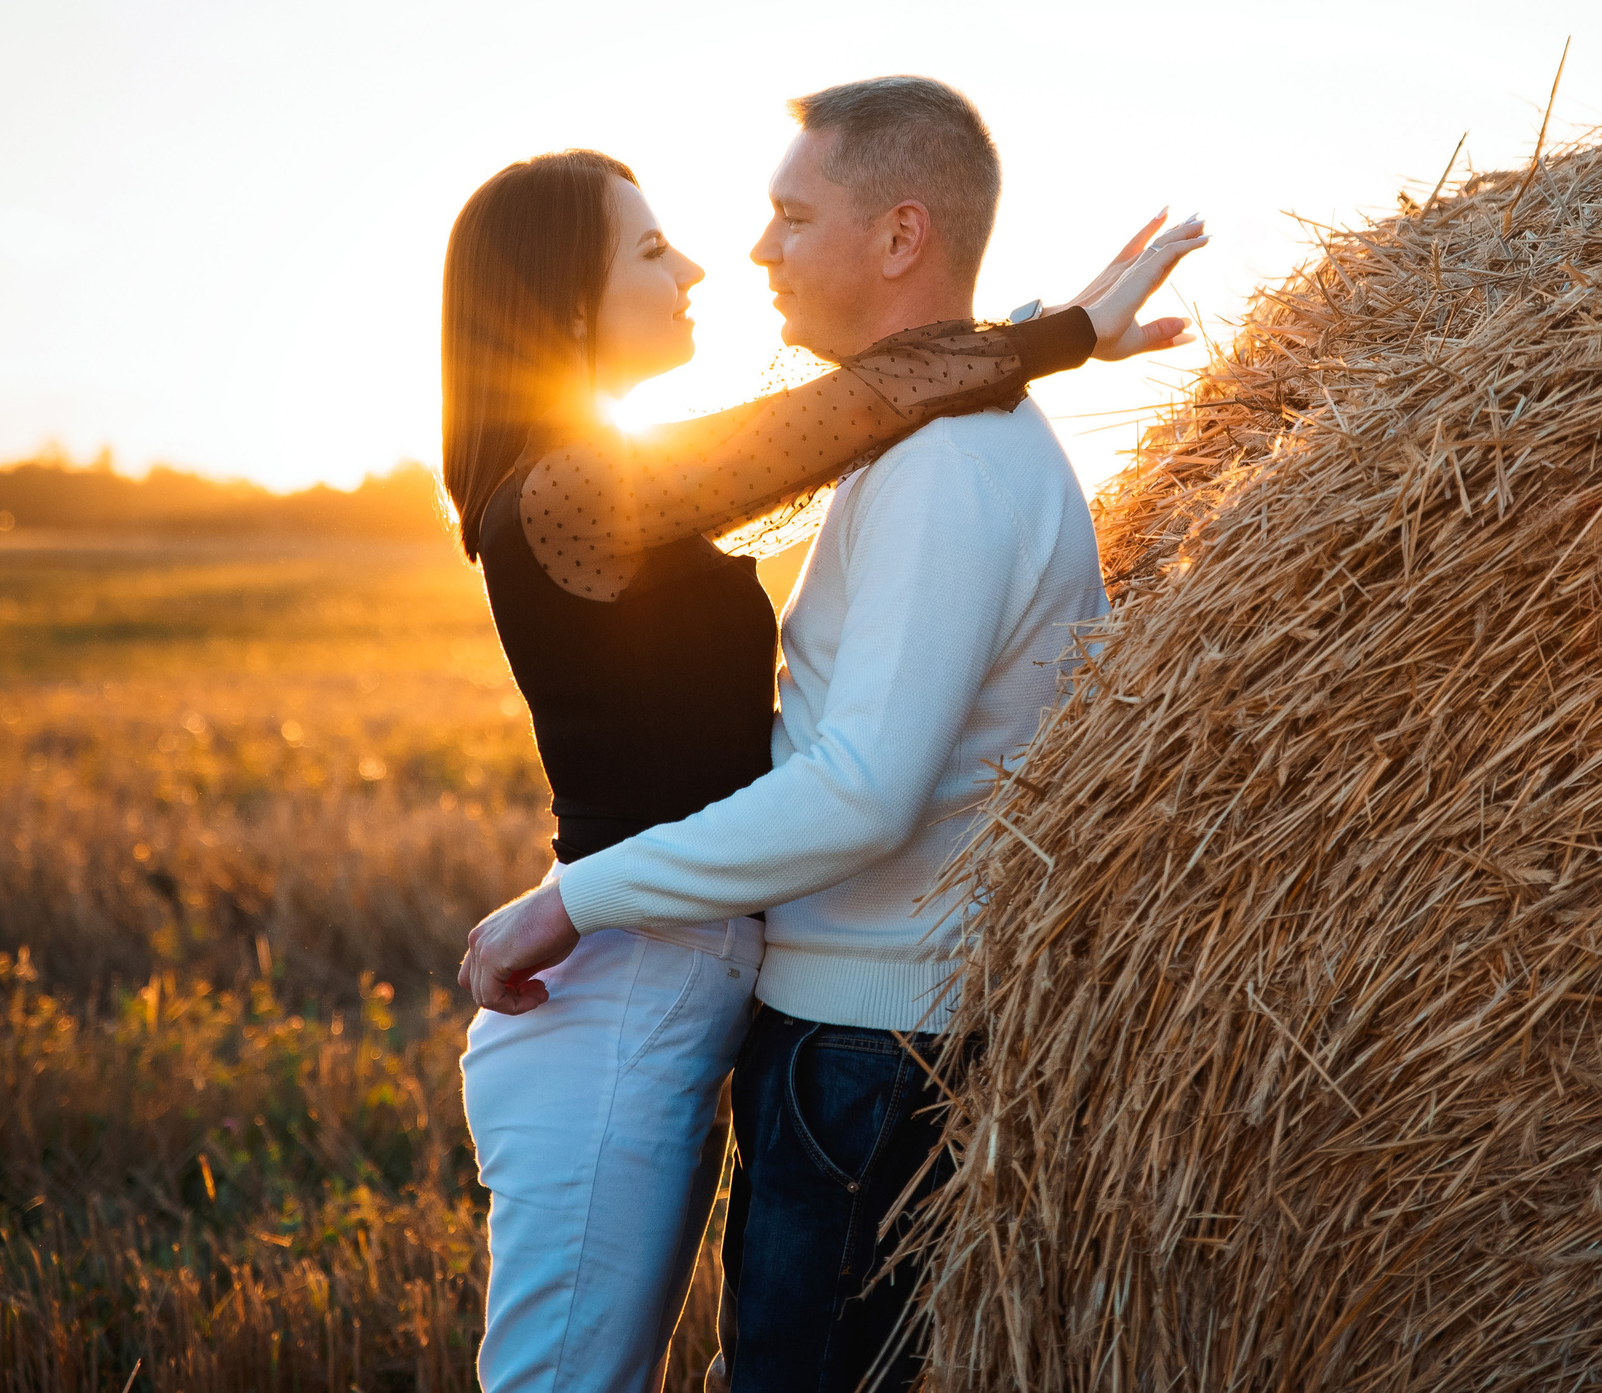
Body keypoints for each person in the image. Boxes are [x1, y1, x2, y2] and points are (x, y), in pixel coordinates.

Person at [443, 98, 1204, 1393]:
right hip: (617, 988)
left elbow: (868, 412)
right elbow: (858, 405)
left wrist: (1029, 340)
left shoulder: (624, 481)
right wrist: (1058, 336)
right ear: (566, 307)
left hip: (681, 976)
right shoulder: (573, 493)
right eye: (650, 251)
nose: (703, 266)